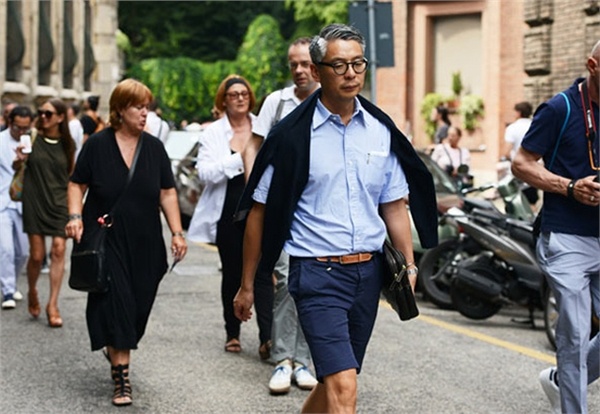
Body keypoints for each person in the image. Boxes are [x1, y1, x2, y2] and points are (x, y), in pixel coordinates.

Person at [233, 24, 438, 413]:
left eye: (358, 63)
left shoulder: (380, 130)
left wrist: (409, 265)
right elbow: (259, 211)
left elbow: (394, 204)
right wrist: (247, 285)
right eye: (339, 65)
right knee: (344, 387)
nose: (351, 73)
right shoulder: (291, 137)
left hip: (368, 275)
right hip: (316, 273)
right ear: (317, 70)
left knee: (335, 380)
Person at [66, 78, 187, 407]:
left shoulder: (154, 148)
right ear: (120, 110)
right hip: (108, 237)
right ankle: (122, 378)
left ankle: (118, 342)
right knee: (117, 301)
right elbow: (77, 184)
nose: (145, 113)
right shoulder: (97, 145)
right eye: (138, 107)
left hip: (146, 240)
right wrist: (75, 216)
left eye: (147, 106)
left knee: (139, 304)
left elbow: (167, 192)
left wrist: (177, 232)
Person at [512, 40, 600, 414]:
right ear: (592, 65)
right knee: (576, 335)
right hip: (566, 237)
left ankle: (561, 381)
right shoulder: (560, 108)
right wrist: (569, 186)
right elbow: (522, 163)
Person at [243, 37, 319, 395]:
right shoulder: (278, 101)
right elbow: (254, 145)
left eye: (305, 64)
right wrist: (253, 184)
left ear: (317, 65)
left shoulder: (329, 102)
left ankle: (303, 360)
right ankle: (284, 358)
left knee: (311, 284)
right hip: (280, 208)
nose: (299, 71)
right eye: (293, 65)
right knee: (287, 278)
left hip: (317, 208)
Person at [187, 75, 273, 358]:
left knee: (263, 273)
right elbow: (205, 173)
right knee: (233, 273)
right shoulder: (213, 133)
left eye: (244, 94)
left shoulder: (262, 126)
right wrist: (242, 157)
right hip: (228, 212)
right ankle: (232, 332)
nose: (240, 98)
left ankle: (267, 337)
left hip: (260, 209)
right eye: (233, 94)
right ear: (223, 100)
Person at [14, 99, 76, 327]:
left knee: (59, 250)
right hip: (34, 200)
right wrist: (19, 160)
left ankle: (53, 304)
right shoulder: (31, 137)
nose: (43, 116)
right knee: (37, 255)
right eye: (40, 112)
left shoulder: (68, 143)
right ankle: (32, 290)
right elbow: (16, 168)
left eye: (48, 113)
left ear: (60, 117)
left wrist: (74, 209)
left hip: (59, 201)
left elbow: (72, 176)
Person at [0, 106, 33, 309]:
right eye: (17, 127)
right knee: (5, 249)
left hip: (23, 203)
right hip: (2, 201)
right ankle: (8, 290)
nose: (21, 131)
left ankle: (10, 281)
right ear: (10, 122)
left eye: (25, 128)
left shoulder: (31, 142)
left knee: (23, 252)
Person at [501, 101, 539, 205]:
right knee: (531, 201)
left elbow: (506, 152)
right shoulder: (535, 126)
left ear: (518, 113)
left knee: (514, 200)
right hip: (535, 168)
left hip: (518, 170)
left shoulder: (512, 128)